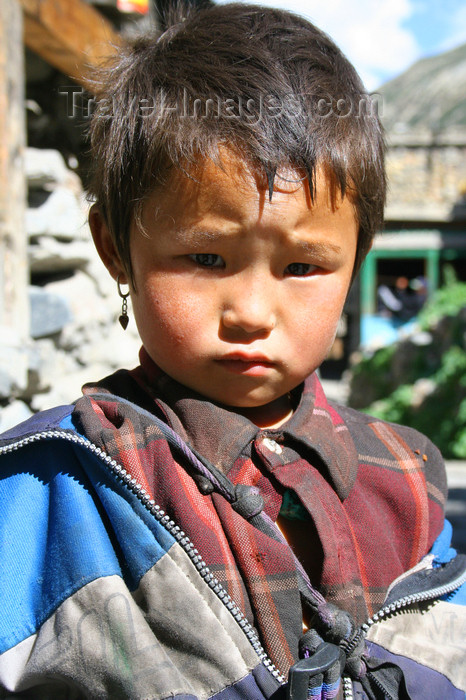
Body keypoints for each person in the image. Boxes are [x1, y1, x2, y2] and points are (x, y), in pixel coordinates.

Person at [0, 4, 464, 699]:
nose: (250, 313)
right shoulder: (53, 489)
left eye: (303, 267)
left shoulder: (408, 482)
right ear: (115, 250)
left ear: (356, 259)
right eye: (207, 257)